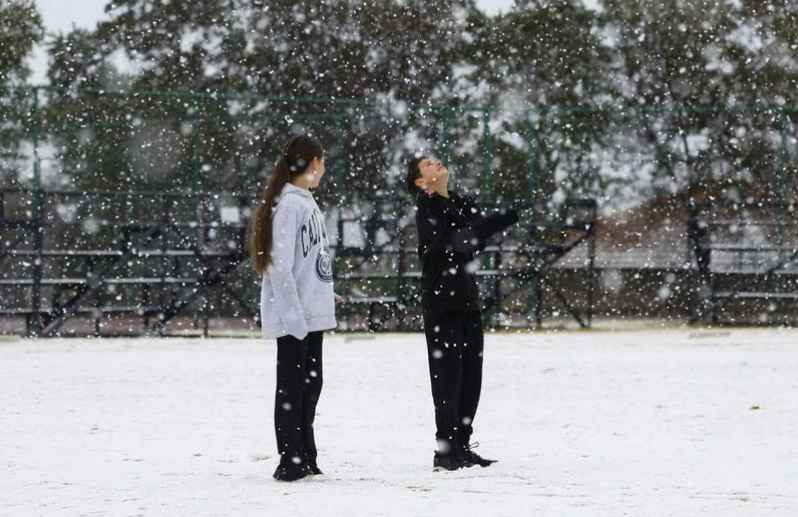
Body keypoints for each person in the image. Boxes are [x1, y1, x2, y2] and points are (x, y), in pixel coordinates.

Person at [406, 155, 520, 471]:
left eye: (437, 160)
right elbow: (457, 241)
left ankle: (461, 444)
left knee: (471, 378)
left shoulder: (459, 203)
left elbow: (474, 242)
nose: (437, 163)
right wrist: (503, 219)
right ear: (420, 181)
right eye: (428, 164)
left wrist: (492, 222)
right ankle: (445, 451)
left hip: (468, 302)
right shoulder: (425, 208)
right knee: (448, 380)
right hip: (442, 306)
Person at [250, 135, 339, 482]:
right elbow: (279, 265)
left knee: (310, 387)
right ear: (314, 162)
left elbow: (308, 260)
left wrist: (324, 292)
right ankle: (290, 458)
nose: (324, 168)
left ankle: (306, 454)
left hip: (310, 314)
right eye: (323, 161)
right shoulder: (288, 204)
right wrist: (294, 319)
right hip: (295, 319)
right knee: (292, 387)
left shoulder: (305, 201)